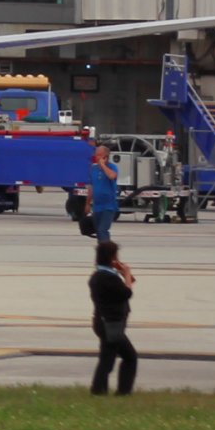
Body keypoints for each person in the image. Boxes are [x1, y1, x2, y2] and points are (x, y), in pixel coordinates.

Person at [89, 238, 138, 395]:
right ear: (112, 257)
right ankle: (120, 391)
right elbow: (126, 293)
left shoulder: (99, 275)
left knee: (107, 358)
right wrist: (127, 273)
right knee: (129, 357)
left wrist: (124, 273)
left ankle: (99, 390)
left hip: (104, 322)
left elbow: (126, 285)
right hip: (111, 324)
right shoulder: (107, 278)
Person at [88, 144, 122, 245]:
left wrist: (103, 165)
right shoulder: (93, 169)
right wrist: (87, 203)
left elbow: (112, 176)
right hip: (97, 206)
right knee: (98, 231)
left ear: (105, 156)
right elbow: (91, 187)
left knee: (103, 230)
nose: (96, 157)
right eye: (96, 154)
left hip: (108, 206)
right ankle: (103, 252)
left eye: (99, 155)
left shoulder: (112, 167)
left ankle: (107, 252)